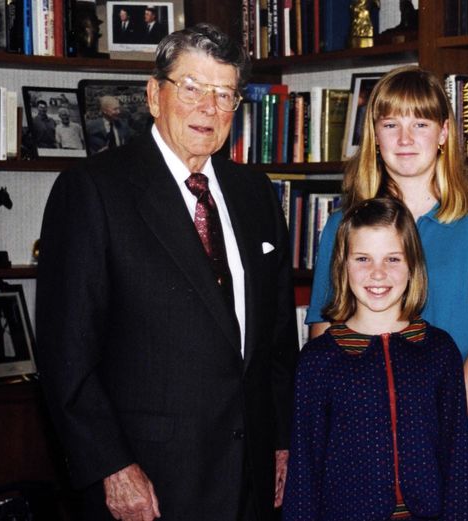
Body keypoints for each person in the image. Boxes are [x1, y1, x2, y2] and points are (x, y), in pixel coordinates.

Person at [36, 23, 298, 521]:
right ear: (155, 95)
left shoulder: (257, 195)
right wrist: (112, 466)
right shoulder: (94, 192)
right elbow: (65, 353)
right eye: (193, 88)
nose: (208, 108)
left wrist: (281, 439)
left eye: (224, 95)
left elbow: (278, 339)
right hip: (150, 483)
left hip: (250, 479)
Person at [305, 65, 468, 519]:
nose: (405, 138)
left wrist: (435, 425)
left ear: (443, 133)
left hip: (456, 437)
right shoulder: (343, 226)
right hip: (359, 443)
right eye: (390, 124)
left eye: (420, 124)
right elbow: (324, 336)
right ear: (374, 137)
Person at [283, 197, 468, 520]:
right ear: (343, 266)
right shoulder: (318, 362)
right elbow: (304, 473)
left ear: (413, 265)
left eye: (392, 259)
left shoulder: (439, 352)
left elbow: (458, 463)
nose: (377, 273)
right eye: (362, 259)